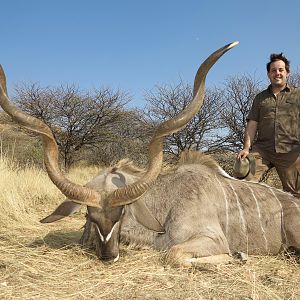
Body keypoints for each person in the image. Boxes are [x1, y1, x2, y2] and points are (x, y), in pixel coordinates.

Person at [237, 52, 300, 197]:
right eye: (273, 70)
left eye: (280, 70)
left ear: (288, 73)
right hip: (263, 149)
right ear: (268, 74)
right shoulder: (260, 98)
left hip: (290, 151)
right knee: (242, 176)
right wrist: (246, 148)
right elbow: (252, 124)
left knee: (296, 195)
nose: (277, 73)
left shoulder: (297, 95)